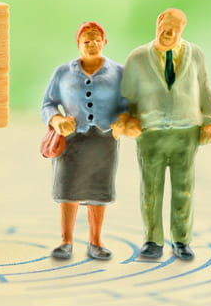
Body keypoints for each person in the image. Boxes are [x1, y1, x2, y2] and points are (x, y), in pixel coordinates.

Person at [120, 8, 211, 260]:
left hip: (186, 131)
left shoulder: (195, 54)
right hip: (150, 132)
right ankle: (152, 239)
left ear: (182, 29)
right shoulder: (138, 57)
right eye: (166, 26)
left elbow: (204, 87)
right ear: (158, 24)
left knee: (183, 188)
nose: (169, 32)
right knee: (151, 188)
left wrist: (209, 120)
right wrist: (127, 120)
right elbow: (127, 95)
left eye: (175, 28)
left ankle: (181, 239)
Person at [40, 22, 138, 261]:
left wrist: (122, 121)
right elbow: (48, 103)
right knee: (68, 189)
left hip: (103, 138)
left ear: (104, 42)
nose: (92, 43)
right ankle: (66, 241)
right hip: (72, 139)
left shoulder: (119, 72)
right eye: (87, 39)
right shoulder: (62, 72)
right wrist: (56, 120)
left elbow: (128, 103)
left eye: (96, 39)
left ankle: (96, 241)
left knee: (98, 191)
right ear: (78, 43)